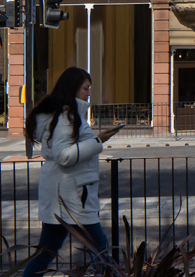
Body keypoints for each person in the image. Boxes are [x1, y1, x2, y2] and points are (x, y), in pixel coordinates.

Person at [23, 67, 124, 277]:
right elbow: (64, 156)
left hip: (65, 194)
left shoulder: (64, 115)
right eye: (86, 88)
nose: (88, 93)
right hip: (72, 195)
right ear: (73, 88)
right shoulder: (66, 117)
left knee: (46, 252)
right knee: (102, 250)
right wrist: (99, 141)